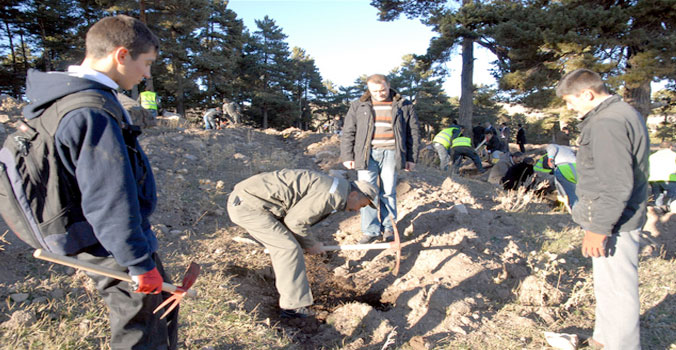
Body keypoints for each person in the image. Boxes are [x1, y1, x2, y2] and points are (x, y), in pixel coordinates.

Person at [21, 15, 178, 349]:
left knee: (158, 312)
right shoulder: (89, 110)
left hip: (104, 234)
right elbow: (109, 195)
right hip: (106, 240)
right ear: (121, 55)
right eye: (146, 63)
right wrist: (136, 262)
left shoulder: (65, 96)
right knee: (142, 326)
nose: (147, 75)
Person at [556, 68, 649, 350]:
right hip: (616, 217)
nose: (570, 108)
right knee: (608, 285)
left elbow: (616, 184)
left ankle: (620, 345)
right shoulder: (619, 114)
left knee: (618, 288)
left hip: (615, 221)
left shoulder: (607, 122)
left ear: (588, 93)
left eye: (571, 101)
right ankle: (605, 339)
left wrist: (598, 229)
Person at [227, 169, 378, 318]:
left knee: (288, 243)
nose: (357, 210)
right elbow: (295, 222)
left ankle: (283, 282)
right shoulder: (333, 195)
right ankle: (293, 308)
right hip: (248, 205)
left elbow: (297, 218)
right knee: (288, 248)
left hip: (254, 201)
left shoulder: (336, 188)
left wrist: (307, 242)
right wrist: (311, 244)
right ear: (354, 194)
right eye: (362, 205)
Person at [340, 74, 420, 244]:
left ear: (388, 86)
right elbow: (348, 132)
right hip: (366, 154)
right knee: (366, 192)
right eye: (374, 91)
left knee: (389, 191)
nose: (379, 93)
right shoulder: (358, 105)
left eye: (382, 90)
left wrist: (411, 158)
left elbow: (413, 133)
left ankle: (389, 228)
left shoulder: (403, 105)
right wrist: (347, 156)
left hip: (391, 153)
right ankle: (370, 230)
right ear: (369, 89)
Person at [546, 144, 578, 210]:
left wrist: (550, 159)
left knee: (570, 192)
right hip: (576, 167)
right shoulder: (567, 149)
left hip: (563, 167)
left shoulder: (551, 146)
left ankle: (575, 210)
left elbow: (552, 149)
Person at [648, 141, 676, 211]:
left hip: (654, 179)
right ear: (670, 147)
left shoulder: (652, 156)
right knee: (672, 196)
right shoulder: (673, 155)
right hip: (669, 178)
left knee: (658, 195)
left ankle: (658, 209)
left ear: (660, 147)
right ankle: (669, 209)